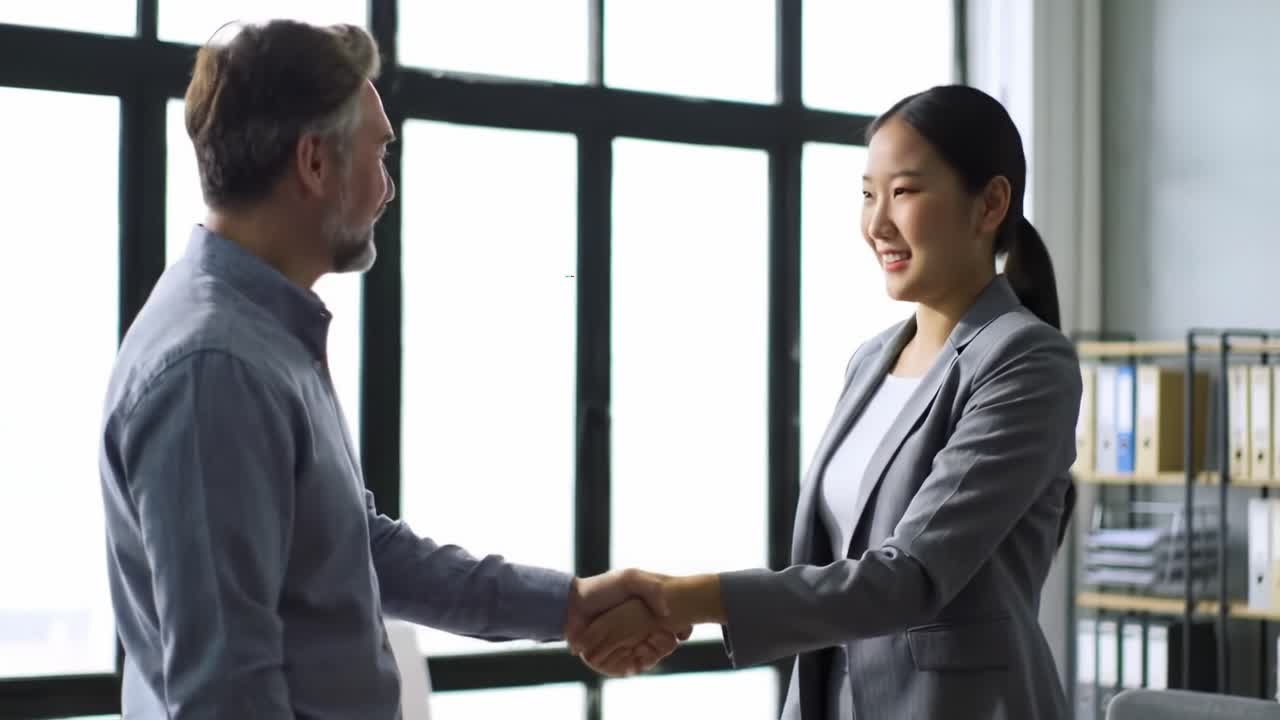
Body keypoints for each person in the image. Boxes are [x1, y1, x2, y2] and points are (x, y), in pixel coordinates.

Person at [97, 20, 677, 719]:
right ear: (315, 163)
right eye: (379, 154)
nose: (387, 189)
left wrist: (567, 604)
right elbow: (227, 694)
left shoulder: (262, 337)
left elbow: (356, 548)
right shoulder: (216, 367)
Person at [576, 85, 1082, 720]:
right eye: (868, 194)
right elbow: (830, 572)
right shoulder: (870, 361)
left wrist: (687, 598)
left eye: (904, 192)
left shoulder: (1026, 361)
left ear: (990, 204)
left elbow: (911, 577)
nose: (877, 224)